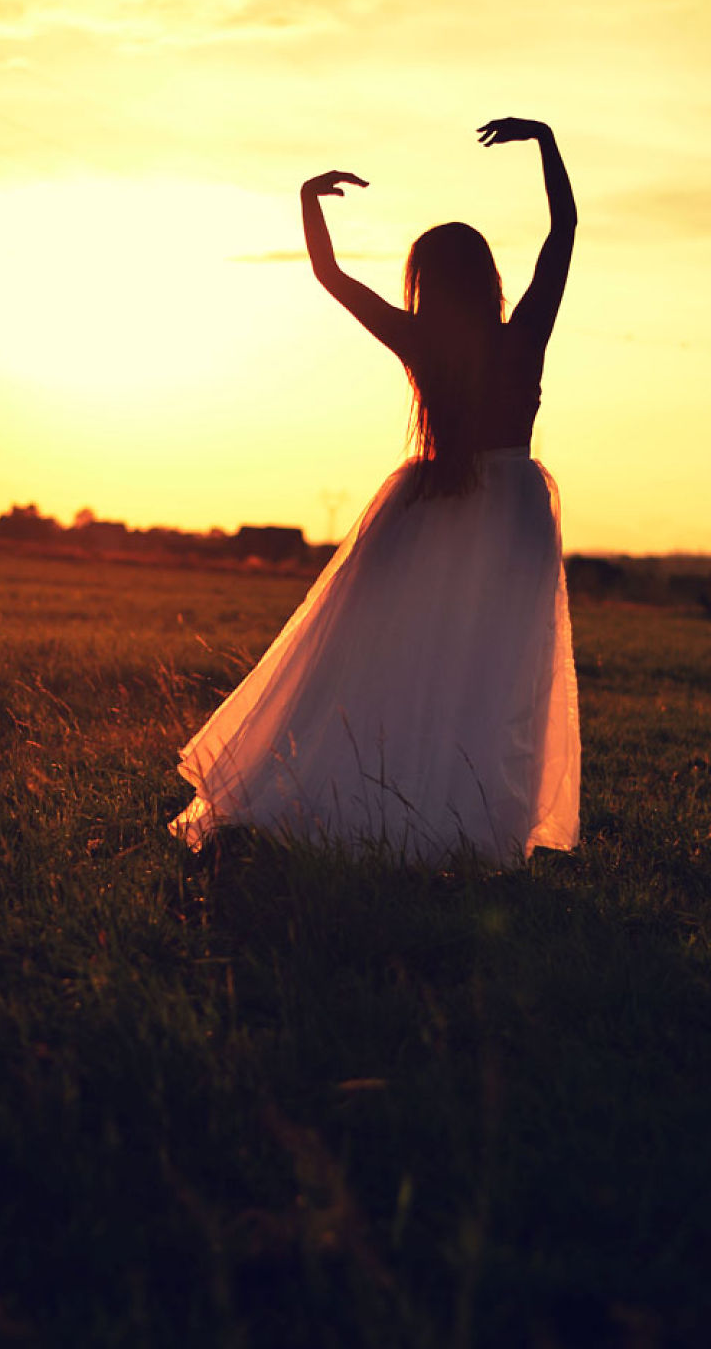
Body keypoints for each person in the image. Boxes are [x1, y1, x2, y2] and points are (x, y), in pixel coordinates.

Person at [169, 118, 580, 866]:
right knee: (499, 678)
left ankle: (386, 794)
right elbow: (565, 231)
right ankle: (475, 820)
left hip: (432, 512)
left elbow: (330, 276)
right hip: (513, 512)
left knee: (390, 660)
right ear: (487, 278)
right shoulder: (522, 336)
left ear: (426, 281)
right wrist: (546, 141)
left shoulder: (421, 338)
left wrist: (310, 200)